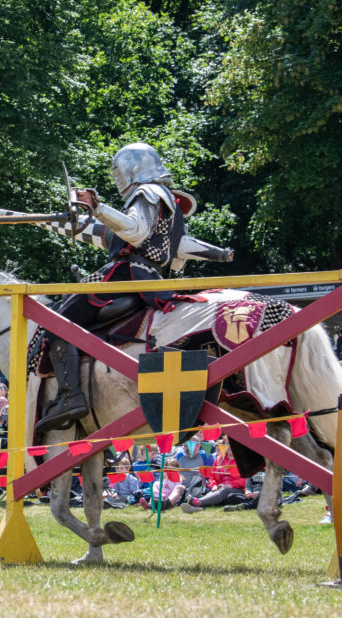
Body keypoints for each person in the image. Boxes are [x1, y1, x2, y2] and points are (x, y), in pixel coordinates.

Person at [35, 143, 230, 432]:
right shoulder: (170, 205)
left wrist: (98, 207)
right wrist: (220, 253)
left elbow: (136, 231)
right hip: (154, 284)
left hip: (126, 277)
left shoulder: (147, 193)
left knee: (57, 321)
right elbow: (177, 250)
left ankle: (70, 396)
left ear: (130, 168)